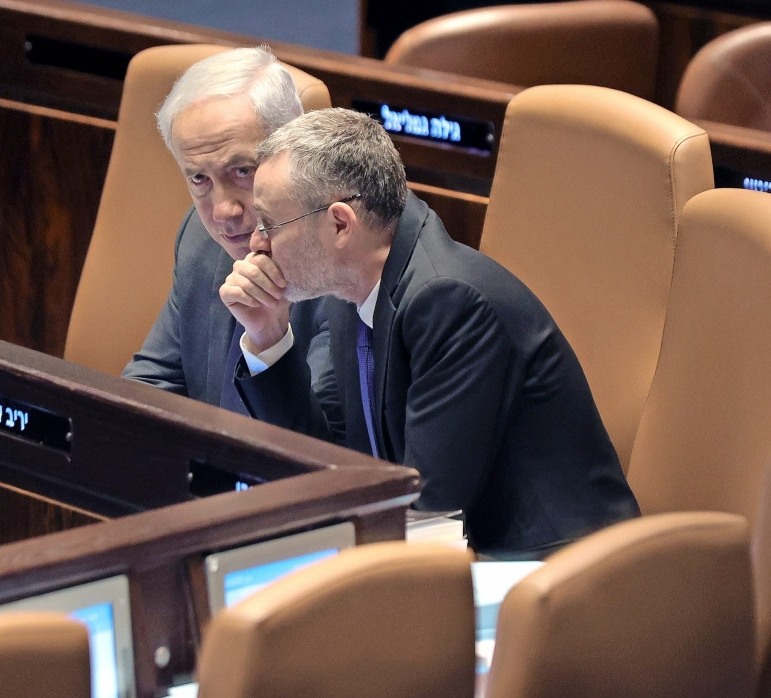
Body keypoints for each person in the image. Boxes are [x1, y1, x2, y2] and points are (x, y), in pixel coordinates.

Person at [224, 107, 639, 557]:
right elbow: (333, 463)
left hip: (553, 572)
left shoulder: (448, 301)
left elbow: (431, 505)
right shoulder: (355, 285)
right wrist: (268, 336)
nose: (256, 243)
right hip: (455, 554)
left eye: (269, 224)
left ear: (341, 224)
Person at [121, 47, 331, 415]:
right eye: (199, 178)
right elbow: (152, 384)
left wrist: (270, 342)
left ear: (294, 153)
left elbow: (327, 445)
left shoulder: (344, 266)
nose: (223, 212)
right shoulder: (200, 241)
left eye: (242, 171)